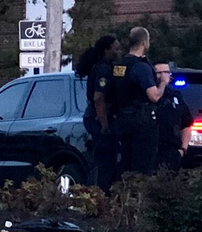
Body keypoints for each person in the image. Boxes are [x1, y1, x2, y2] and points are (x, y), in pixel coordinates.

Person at [104, 26, 170, 177]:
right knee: (143, 168)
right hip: (142, 122)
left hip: (122, 119)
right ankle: (139, 198)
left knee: (125, 165)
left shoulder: (119, 65)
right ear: (144, 43)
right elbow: (154, 96)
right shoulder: (141, 67)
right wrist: (164, 82)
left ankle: (123, 196)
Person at [73, 34, 120, 189]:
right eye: (116, 49)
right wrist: (105, 126)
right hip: (99, 120)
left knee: (104, 161)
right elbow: (99, 98)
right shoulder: (104, 69)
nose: (119, 52)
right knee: (104, 161)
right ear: (107, 50)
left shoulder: (101, 67)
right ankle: (98, 196)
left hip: (96, 118)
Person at [153, 62, 194, 172]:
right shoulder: (149, 95)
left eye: (166, 72)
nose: (163, 76)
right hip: (151, 149)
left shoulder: (175, 96)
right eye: (159, 73)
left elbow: (186, 124)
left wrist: (183, 149)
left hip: (171, 150)